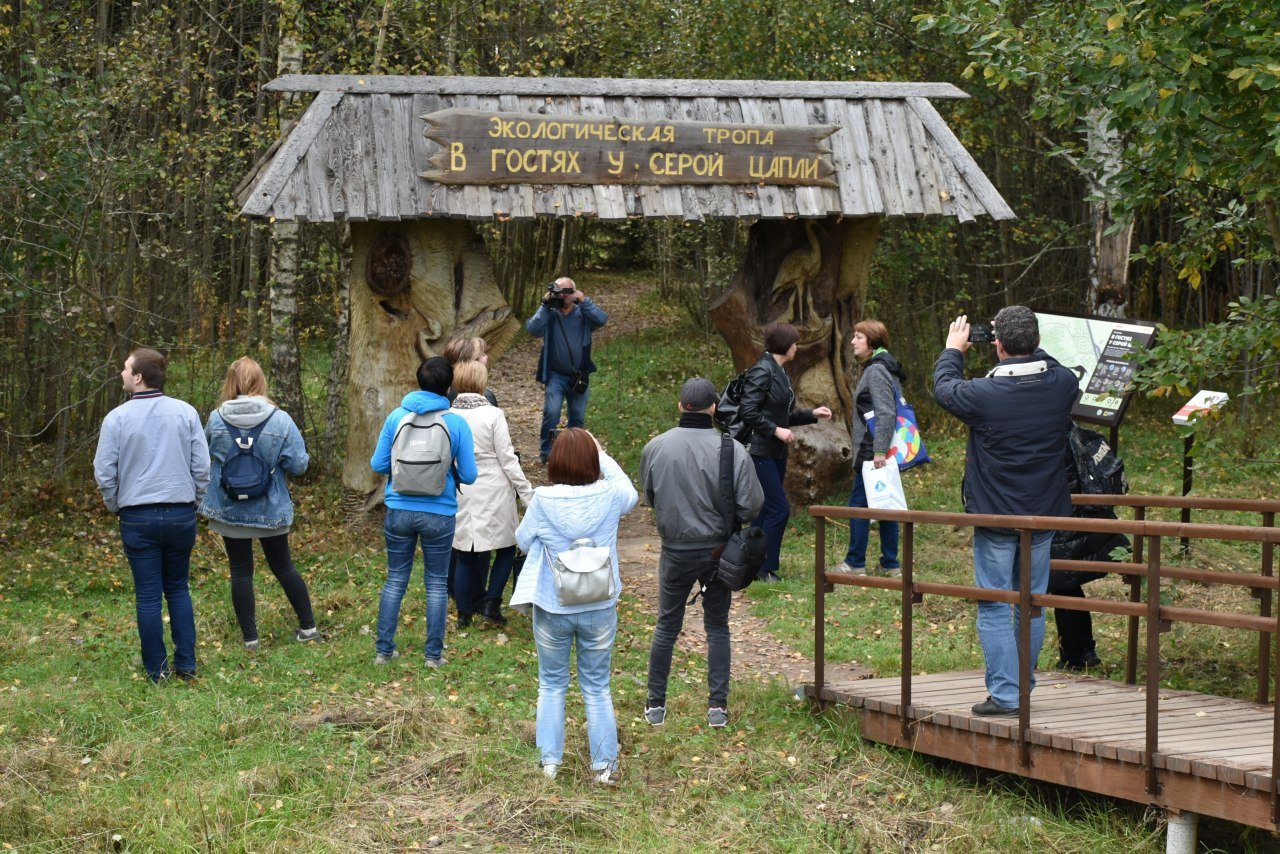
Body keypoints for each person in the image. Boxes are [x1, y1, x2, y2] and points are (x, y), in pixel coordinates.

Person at [933, 308, 1079, 716]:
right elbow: (1053, 365)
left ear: (996, 345)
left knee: (995, 603)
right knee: (1031, 602)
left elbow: (944, 386)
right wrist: (1024, 343)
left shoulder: (982, 394)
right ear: (1035, 341)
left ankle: (1007, 694)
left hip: (996, 516)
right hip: (1044, 515)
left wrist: (952, 349)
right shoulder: (1062, 384)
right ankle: (1023, 690)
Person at [511, 428, 637, 784]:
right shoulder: (611, 494)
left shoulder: (543, 500)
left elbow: (521, 540)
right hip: (600, 604)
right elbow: (631, 491)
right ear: (593, 460)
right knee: (597, 686)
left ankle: (550, 763)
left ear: (555, 462)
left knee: (551, 684)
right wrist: (600, 449)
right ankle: (604, 767)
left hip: (554, 604)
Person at [640, 378, 763, 729]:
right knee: (717, 626)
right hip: (718, 551)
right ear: (713, 408)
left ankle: (655, 706)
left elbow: (650, 497)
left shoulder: (655, 448)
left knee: (666, 625)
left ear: (681, 407)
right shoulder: (732, 449)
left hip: (675, 550)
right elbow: (752, 504)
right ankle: (717, 708)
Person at [93, 347, 210, 683]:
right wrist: (194, 501)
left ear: (139, 377)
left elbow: (104, 471)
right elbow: (202, 467)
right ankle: (186, 666)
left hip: (138, 517)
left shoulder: (116, 419)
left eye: (126, 368)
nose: (122, 373)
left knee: (147, 594)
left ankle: (157, 673)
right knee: (177, 588)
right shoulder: (185, 413)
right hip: (180, 514)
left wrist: (116, 503)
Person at [198, 357, 317, 650]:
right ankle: (308, 627)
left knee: (240, 570)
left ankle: (251, 639)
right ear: (260, 381)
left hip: (229, 508)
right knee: (283, 566)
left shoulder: (216, 418)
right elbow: (300, 465)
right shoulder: (280, 419)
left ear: (231, 382)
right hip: (271, 507)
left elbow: (202, 456)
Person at [370, 356, 478, 668]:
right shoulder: (456, 422)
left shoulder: (396, 417)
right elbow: (469, 476)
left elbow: (378, 465)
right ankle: (433, 656)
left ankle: (384, 651)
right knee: (435, 583)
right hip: (439, 513)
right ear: (449, 387)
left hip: (399, 509)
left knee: (395, 580)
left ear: (418, 381)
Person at [738, 321, 833, 583]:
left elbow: (782, 415)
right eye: (794, 343)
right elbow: (748, 411)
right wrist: (774, 430)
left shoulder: (779, 371)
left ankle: (747, 562)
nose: (796, 348)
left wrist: (811, 415)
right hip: (760, 451)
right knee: (779, 509)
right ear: (784, 345)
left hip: (776, 452)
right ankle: (764, 568)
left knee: (766, 510)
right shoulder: (762, 371)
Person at [449, 360, 533, 628]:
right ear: (481, 383)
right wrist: (526, 492)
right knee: (507, 547)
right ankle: (491, 602)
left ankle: (463, 613)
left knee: (464, 552)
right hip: (494, 486)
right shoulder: (493, 414)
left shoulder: (448, 414)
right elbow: (507, 458)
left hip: (462, 485)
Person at [829, 319, 904, 578]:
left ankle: (855, 563)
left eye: (859, 337)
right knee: (886, 505)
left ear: (872, 342)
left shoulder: (876, 370)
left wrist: (880, 451)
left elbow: (886, 411)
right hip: (879, 448)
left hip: (873, 450)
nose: (853, 341)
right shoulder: (884, 366)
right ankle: (890, 564)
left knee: (858, 506)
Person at [526, 277, 607, 463]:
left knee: (577, 416)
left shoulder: (583, 313)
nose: (563, 295)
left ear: (574, 293)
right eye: (560, 291)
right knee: (552, 413)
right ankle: (548, 452)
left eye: (568, 291)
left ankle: (572, 453)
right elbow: (532, 329)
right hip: (555, 375)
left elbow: (602, 319)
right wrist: (545, 305)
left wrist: (585, 302)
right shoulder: (550, 313)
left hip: (579, 375)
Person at [442, 334, 498, 406]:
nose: (487, 357)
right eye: (483, 355)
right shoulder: (485, 398)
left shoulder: (440, 392)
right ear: (473, 362)